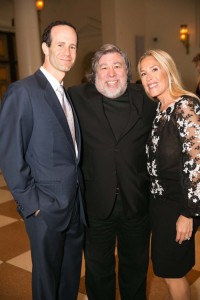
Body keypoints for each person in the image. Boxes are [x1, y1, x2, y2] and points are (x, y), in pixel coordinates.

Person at [0, 20, 86, 300]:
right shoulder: (23, 91)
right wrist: (33, 205)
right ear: (44, 47)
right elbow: (10, 154)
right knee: (47, 283)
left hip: (74, 207)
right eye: (60, 44)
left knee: (70, 276)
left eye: (72, 46)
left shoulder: (66, 94)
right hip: (46, 210)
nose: (68, 52)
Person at [68, 44, 157, 300]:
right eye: (103, 67)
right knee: (98, 270)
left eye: (117, 66)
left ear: (127, 71)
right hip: (96, 203)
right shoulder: (76, 97)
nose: (111, 73)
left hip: (136, 202)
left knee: (136, 268)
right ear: (93, 73)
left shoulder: (147, 100)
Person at [138, 49, 200, 300]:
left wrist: (188, 212)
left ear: (168, 70)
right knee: (166, 269)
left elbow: (197, 163)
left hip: (179, 204)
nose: (148, 77)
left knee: (173, 272)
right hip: (160, 204)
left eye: (154, 69)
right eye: (143, 73)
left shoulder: (185, 105)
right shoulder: (160, 109)